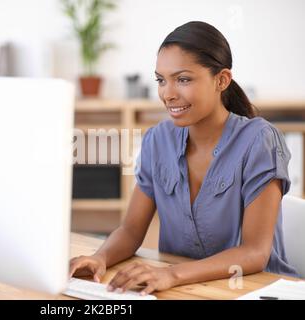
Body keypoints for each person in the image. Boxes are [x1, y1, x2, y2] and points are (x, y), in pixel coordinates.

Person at [69, 21, 299, 296]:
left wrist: (170, 274)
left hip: (255, 290)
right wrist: (100, 258)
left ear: (222, 80)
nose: (168, 93)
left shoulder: (258, 141)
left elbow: (255, 252)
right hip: (187, 291)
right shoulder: (157, 141)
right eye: (161, 80)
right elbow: (130, 231)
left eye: (183, 79)